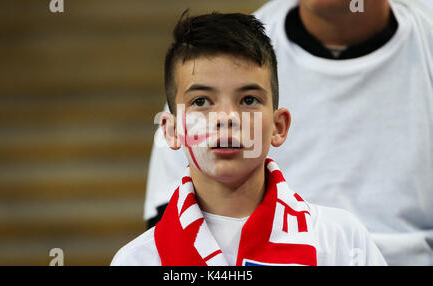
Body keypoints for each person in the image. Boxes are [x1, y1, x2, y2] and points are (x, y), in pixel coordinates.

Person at [144, 0, 433, 265]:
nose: (226, 118)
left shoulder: (344, 236)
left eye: (248, 100)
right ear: (171, 130)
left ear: (279, 126)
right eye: (202, 102)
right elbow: (164, 227)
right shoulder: (231, 51)